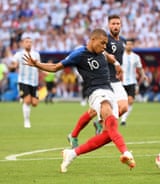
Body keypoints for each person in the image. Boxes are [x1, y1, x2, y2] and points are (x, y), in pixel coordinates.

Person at [23, 28, 135, 172]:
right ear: (93, 40)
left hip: (110, 91)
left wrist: (117, 65)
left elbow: (110, 57)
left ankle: (72, 153)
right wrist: (38, 64)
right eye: (102, 43)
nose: (104, 46)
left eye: (106, 44)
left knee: (109, 134)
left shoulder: (101, 51)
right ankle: (125, 153)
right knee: (106, 109)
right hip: (96, 93)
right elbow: (56, 67)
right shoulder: (79, 54)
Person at [67, 14, 129, 147]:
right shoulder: (105, 40)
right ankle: (74, 134)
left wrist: (119, 67)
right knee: (94, 112)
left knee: (123, 107)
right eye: (113, 24)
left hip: (115, 81)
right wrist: (114, 61)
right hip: (103, 81)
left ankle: (98, 123)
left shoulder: (122, 41)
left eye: (118, 23)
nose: (115, 26)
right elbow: (97, 51)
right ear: (108, 25)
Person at [12, 34, 40, 128]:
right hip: (23, 81)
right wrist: (13, 66)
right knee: (27, 101)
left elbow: (39, 66)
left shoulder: (36, 54)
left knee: (35, 103)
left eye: (30, 42)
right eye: (27, 42)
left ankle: (23, 97)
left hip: (34, 81)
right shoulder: (19, 54)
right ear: (23, 44)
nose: (29, 44)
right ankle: (26, 121)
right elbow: (14, 64)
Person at [120, 38, 148, 125]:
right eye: (127, 44)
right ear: (125, 45)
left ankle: (123, 120)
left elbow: (140, 68)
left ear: (133, 46)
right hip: (121, 82)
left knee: (130, 100)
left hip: (132, 81)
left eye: (131, 44)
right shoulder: (120, 56)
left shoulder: (136, 57)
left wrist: (143, 75)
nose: (129, 46)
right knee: (121, 102)